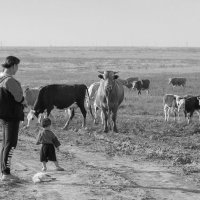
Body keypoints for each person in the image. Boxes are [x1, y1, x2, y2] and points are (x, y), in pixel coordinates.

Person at [0, 56, 25, 181]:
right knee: (11, 144)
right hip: (12, 116)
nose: (17, 69)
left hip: (4, 115)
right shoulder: (10, 81)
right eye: (17, 66)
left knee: (5, 144)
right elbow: (19, 98)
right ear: (13, 65)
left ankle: (4, 171)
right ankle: (6, 173)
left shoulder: (0, 78)